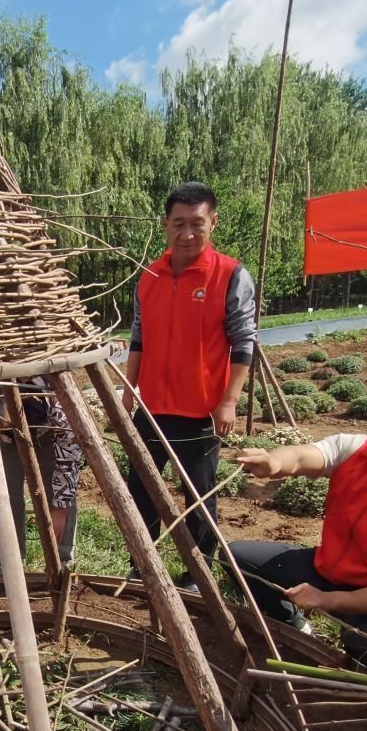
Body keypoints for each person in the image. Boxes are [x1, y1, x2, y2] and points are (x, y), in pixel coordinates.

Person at [229, 376, 367, 677]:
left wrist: (326, 600)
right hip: (327, 569)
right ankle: (295, 626)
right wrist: (273, 462)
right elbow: (302, 455)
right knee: (237, 556)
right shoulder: (357, 449)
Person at [122, 181, 255, 574]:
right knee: (141, 491)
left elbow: (244, 340)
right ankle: (141, 566)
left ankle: (198, 573)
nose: (187, 233)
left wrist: (229, 400)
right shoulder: (150, 276)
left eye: (197, 223)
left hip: (199, 412)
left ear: (213, 222)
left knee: (197, 497)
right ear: (166, 224)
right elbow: (139, 336)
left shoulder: (230, 275)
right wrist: (130, 390)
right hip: (151, 407)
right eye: (178, 223)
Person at [0, 379, 80, 568]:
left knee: (56, 497)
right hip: (1, 442)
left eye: (10, 416)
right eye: (1, 416)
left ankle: (62, 560)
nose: (6, 420)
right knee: (4, 497)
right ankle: (7, 563)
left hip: (44, 434)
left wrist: (61, 509)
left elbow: (68, 452)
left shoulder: (49, 396)